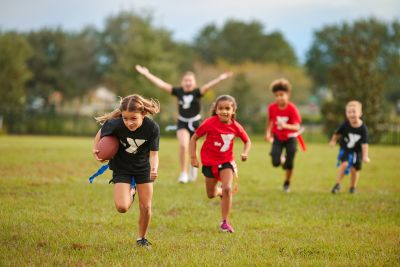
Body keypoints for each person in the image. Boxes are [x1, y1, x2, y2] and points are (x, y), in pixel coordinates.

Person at [136, 65, 233, 183]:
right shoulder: (178, 92)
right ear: (182, 82)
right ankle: (183, 173)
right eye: (185, 80)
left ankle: (193, 166)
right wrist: (147, 74)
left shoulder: (197, 92)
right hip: (182, 122)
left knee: (193, 146)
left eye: (190, 81)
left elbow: (208, 86)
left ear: (194, 82)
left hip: (196, 122)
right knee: (183, 145)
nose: (188, 83)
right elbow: (161, 84)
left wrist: (220, 78)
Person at [93, 94, 160, 248]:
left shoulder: (152, 128)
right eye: (125, 118)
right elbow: (102, 131)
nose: (129, 122)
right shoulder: (116, 124)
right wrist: (95, 149)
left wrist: (154, 168)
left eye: (133, 118)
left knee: (146, 206)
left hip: (143, 169)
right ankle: (131, 190)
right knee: (122, 207)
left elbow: (154, 154)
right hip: (121, 167)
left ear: (143, 114)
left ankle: (141, 239)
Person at [189, 95, 251, 233]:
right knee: (211, 194)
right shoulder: (209, 123)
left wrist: (245, 153)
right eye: (221, 108)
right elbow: (194, 138)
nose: (224, 111)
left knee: (228, 188)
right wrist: (193, 157)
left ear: (233, 110)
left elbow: (247, 141)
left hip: (226, 161)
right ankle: (220, 192)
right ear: (216, 110)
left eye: (227, 108)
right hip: (209, 162)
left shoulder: (236, 126)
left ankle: (224, 222)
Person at [264, 78, 302, 193]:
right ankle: (281, 158)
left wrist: (285, 125)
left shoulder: (292, 109)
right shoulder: (272, 107)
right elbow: (270, 121)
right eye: (276, 95)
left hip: (291, 138)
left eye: (282, 94)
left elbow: (297, 127)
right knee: (275, 163)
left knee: (289, 164)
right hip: (277, 137)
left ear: (288, 95)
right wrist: (267, 133)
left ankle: (287, 183)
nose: (279, 97)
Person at [329, 100, 370, 194]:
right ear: (346, 113)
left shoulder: (363, 129)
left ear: (360, 113)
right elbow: (337, 133)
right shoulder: (345, 125)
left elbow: (364, 144)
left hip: (357, 152)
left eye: (354, 112)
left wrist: (365, 156)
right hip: (346, 149)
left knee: (355, 170)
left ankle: (353, 187)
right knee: (344, 164)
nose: (351, 114)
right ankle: (337, 184)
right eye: (349, 112)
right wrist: (333, 141)